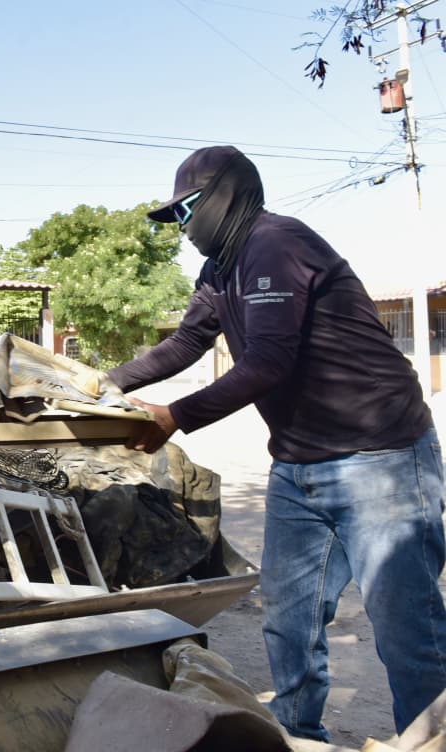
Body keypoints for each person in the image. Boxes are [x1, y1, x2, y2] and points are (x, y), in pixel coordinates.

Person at [109, 145, 446, 742]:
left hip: (382, 459)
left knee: (407, 630)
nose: (182, 227)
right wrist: (98, 387)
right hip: (297, 467)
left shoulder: (275, 244)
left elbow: (268, 361)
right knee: (289, 623)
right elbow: (183, 345)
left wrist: (174, 416)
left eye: (186, 210)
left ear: (226, 194)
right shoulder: (219, 271)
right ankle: (296, 738)